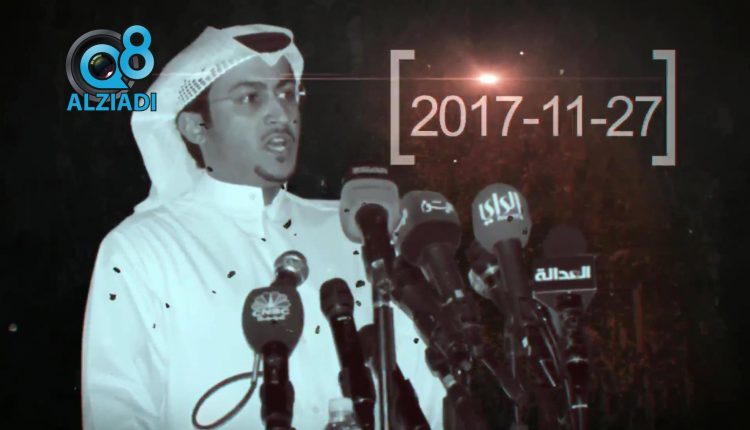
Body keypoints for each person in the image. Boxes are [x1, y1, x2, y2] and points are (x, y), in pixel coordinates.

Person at [80, 24, 446, 429]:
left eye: (287, 94)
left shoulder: (357, 230)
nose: (282, 114)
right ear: (196, 127)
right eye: (250, 98)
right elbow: (117, 409)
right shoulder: (145, 248)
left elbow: (427, 388)